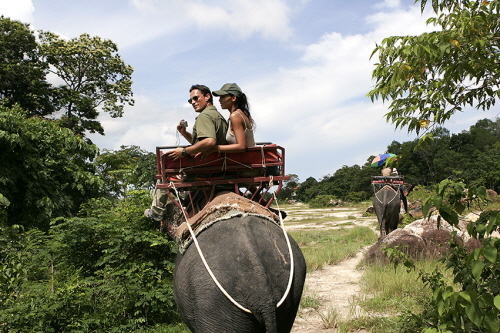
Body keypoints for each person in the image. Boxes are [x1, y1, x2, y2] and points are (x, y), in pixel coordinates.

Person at [145, 84, 228, 221]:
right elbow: (200, 144)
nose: (193, 103)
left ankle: (156, 211)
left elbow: (209, 141)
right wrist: (184, 133)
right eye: (190, 101)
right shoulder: (218, 116)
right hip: (216, 162)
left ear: (207, 97)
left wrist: (184, 151)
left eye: (196, 98)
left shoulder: (204, 117)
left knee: (164, 174)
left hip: (204, 166)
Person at [209, 83, 255, 153]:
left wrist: (214, 148)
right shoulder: (240, 114)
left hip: (246, 161)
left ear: (233, 98)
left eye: (223, 97)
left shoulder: (235, 116)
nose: (219, 100)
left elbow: (241, 146)